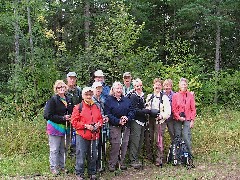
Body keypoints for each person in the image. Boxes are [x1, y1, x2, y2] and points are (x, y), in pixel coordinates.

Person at [71, 87, 103, 180]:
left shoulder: (96, 106)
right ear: (83, 95)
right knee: (81, 154)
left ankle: (92, 172)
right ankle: (79, 173)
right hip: (82, 135)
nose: (88, 96)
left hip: (94, 134)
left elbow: (100, 118)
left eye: (90, 94)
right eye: (86, 94)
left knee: (93, 154)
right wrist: (86, 126)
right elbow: (74, 122)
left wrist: (98, 124)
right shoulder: (78, 107)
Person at [44, 80, 74, 175]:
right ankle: (53, 167)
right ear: (56, 89)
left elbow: (72, 112)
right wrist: (62, 118)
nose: (61, 89)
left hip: (66, 128)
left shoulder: (69, 99)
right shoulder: (53, 100)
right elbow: (47, 115)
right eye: (58, 87)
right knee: (54, 149)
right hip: (55, 128)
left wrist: (71, 117)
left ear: (66, 88)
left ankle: (62, 166)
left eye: (63, 87)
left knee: (64, 148)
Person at [104, 81, 135, 172]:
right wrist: (118, 121)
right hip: (114, 125)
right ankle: (112, 163)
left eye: (120, 88)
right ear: (113, 89)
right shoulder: (109, 100)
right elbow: (108, 113)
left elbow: (132, 111)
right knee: (116, 144)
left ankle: (121, 162)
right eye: (117, 88)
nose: (119, 90)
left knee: (124, 144)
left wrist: (127, 118)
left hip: (126, 125)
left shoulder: (126, 99)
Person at [145, 78, 171, 167]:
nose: (157, 87)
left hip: (160, 121)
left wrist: (161, 115)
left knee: (158, 140)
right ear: (153, 86)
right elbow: (146, 107)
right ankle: (149, 157)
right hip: (150, 120)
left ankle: (159, 159)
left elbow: (168, 112)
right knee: (149, 139)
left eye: (159, 85)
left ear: (161, 87)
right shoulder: (149, 96)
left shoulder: (164, 98)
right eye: (156, 85)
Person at [128, 78, 150, 169]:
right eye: (137, 86)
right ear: (134, 86)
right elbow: (134, 110)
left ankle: (137, 158)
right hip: (136, 120)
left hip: (143, 121)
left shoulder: (143, 96)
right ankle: (132, 160)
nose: (139, 87)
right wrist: (145, 111)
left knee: (141, 141)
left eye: (140, 85)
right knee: (135, 141)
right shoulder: (133, 96)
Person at [172, 78, 196, 155]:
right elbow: (174, 109)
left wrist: (192, 120)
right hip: (177, 118)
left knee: (186, 136)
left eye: (185, 84)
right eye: (182, 84)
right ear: (179, 86)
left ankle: (189, 154)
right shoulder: (175, 95)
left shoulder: (190, 95)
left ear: (187, 85)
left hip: (187, 118)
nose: (184, 86)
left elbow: (193, 109)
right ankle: (178, 154)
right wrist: (178, 117)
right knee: (177, 136)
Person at [92, 81, 109, 172]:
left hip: (102, 126)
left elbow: (104, 112)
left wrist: (105, 117)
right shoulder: (91, 101)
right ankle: (94, 166)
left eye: (100, 88)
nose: (98, 90)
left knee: (101, 145)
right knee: (94, 146)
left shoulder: (102, 100)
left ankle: (100, 164)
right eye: (97, 88)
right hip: (94, 127)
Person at [65, 72, 82, 157]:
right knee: (67, 135)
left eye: (73, 78)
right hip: (66, 116)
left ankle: (74, 152)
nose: (72, 80)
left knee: (75, 135)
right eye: (70, 78)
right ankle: (65, 153)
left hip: (76, 116)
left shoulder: (78, 90)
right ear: (67, 79)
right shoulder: (64, 89)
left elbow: (82, 102)